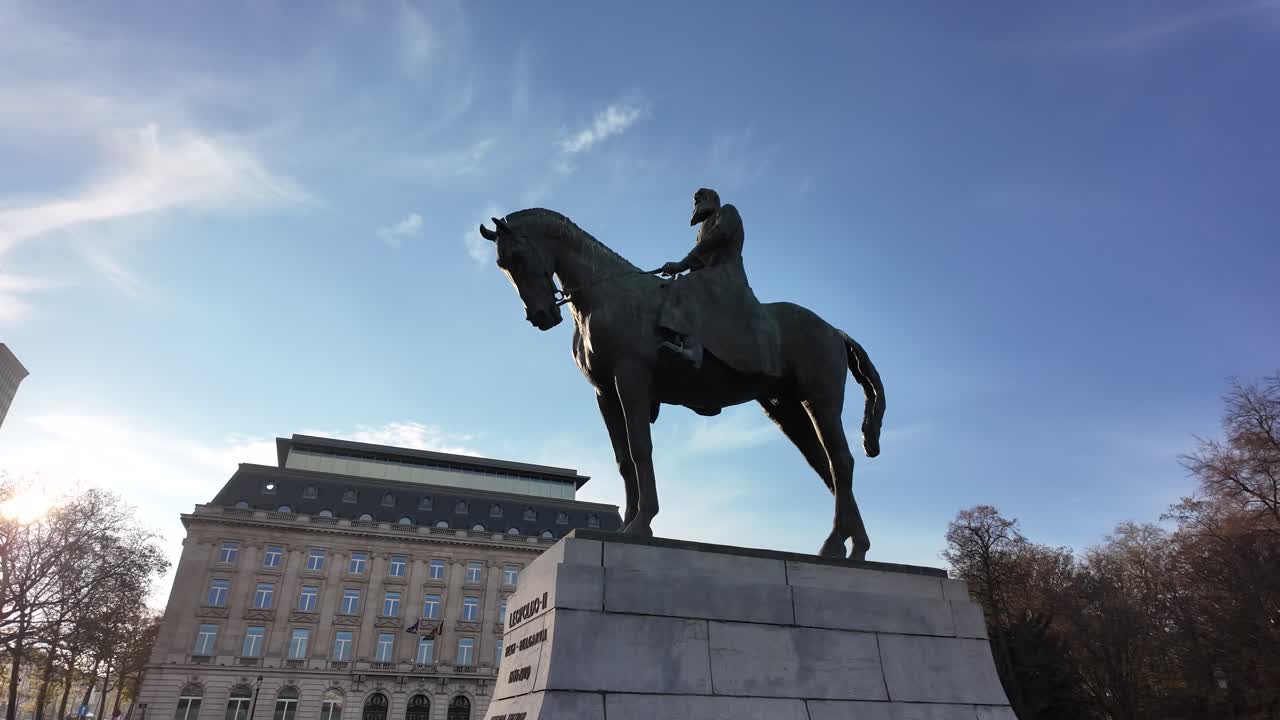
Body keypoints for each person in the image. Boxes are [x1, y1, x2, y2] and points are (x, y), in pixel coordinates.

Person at [658, 188, 777, 381]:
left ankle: (692, 349)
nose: (696, 202)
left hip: (728, 276)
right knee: (674, 286)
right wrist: (679, 268)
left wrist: (682, 264)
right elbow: (700, 260)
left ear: (711, 199)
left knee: (684, 285)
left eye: (700, 198)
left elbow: (718, 237)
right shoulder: (701, 229)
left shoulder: (727, 211)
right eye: (695, 201)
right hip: (710, 278)